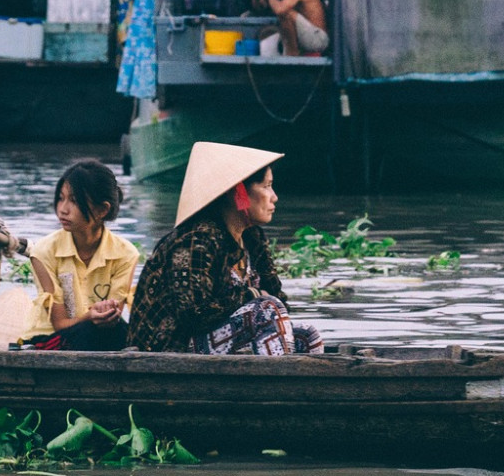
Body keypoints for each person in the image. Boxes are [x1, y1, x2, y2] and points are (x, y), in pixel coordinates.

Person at [130, 142, 324, 355]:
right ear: (239, 191)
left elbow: (278, 298)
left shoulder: (253, 237)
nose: (274, 196)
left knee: (307, 334)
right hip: (171, 349)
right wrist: (251, 295)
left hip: (222, 341)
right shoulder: (196, 240)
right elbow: (194, 313)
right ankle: (278, 385)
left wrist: (258, 300)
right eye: (266, 186)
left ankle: (297, 383)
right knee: (266, 310)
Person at [25, 159, 139, 351]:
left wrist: (102, 315)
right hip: (52, 340)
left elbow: (112, 316)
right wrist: (89, 316)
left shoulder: (126, 254)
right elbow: (60, 323)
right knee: (89, 331)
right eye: (61, 198)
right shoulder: (44, 252)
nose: (63, 209)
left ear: (102, 210)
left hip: (101, 335)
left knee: (119, 331)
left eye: (74, 201)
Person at [255, 0, 327, 56]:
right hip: (307, 38)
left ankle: (292, 54)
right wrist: (265, 0)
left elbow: (280, 10)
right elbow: (277, 9)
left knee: (285, 13)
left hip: (318, 39)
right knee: (268, 40)